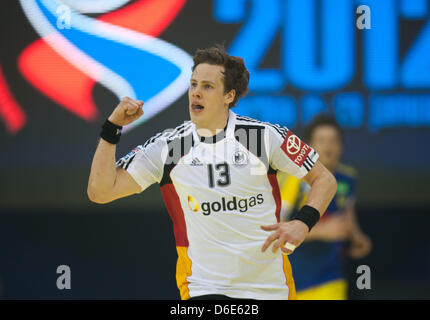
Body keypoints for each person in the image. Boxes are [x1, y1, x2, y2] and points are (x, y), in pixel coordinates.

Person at [87, 45, 337, 300]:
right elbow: (100, 191)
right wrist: (112, 128)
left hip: (270, 289)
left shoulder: (262, 137)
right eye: (193, 84)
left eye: (207, 86)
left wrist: (303, 223)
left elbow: (324, 179)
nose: (196, 93)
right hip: (203, 289)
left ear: (229, 95)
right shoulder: (170, 147)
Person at [277, 115, 372, 300]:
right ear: (308, 147)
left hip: (330, 278)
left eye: (333, 141)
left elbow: (347, 215)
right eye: (321, 140)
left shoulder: (347, 178)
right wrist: (322, 231)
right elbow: (276, 229)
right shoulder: (292, 179)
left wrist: (357, 237)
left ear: (342, 146)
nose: (328, 147)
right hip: (291, 281)